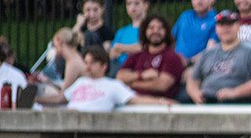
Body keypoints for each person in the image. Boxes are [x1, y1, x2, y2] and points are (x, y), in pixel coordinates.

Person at [37, 46, 173, 110]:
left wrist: (161, 101)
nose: (88, 67)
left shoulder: (113, 85)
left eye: (92, 63)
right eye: (86, 62)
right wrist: (36, 99)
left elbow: (135, 99)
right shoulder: (81, 82)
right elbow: (60, 98)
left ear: (103, 65)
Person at [186, 10, 251, 105]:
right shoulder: (208, 53)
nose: (226, 28)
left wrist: (235, 92)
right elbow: (193, 78)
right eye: (221, 25)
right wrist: (195, 93)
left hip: (237, 102)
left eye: (230, 24)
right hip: (206, 100)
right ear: (216, 29)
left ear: (238, 26)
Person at [116, 13, 186, 100]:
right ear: (144, 31)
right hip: (132, 105)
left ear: (166, 32)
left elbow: (162, 85)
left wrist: (130, 83)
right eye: (151, 28)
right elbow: (120, 76)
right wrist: (141, 75)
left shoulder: (172, 57)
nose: (155, 31)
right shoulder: (137, 55)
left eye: (160, 28)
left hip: (160, 106)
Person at [172, 0, 217, 65]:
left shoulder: (216, 20)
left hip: (200, 66)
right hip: (176, 64)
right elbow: (171, 39)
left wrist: (189, 61)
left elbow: (211, 50)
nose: (198, 1)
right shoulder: (185, 16)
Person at [109, 0, 150, 71]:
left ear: (146, 5)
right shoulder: (121, 32)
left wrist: (121, 48)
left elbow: (147, 48)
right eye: (129, 3)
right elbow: (112, 54)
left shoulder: (151, 28)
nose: (132, 7)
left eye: (136, 3)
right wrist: (132, 49)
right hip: (118, 69)